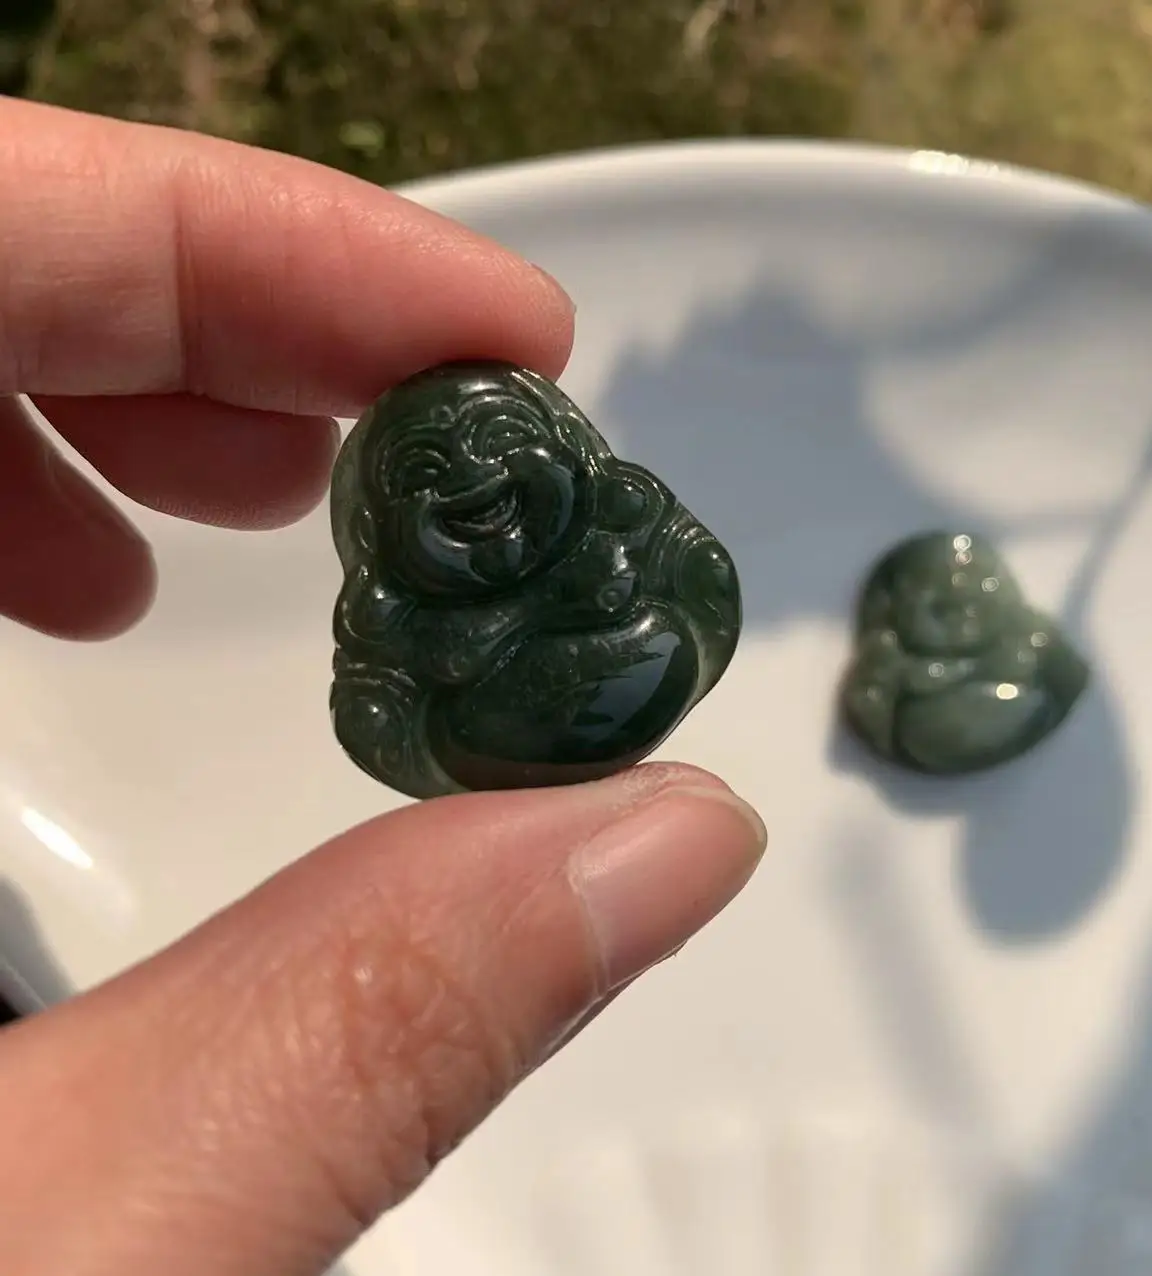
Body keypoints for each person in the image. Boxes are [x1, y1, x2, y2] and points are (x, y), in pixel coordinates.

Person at [0, 97, 767, 1275]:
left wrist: (642, 591)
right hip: (489, 712)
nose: (470, 480)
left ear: (570, 455)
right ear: (377, 534)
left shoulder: (618, 528)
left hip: (623, 649)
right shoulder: (402, 615)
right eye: (423, 474)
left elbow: (694, 577)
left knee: (654, 628)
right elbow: (374, 707)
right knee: (484, 707)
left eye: (500, 447)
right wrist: (418, 695)